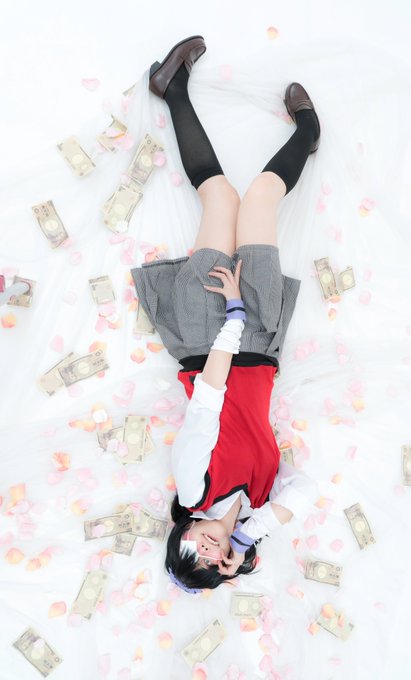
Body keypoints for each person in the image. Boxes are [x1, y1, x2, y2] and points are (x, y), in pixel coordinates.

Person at [130, 35, 321, 594]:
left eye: (194, 553)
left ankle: (173, 90)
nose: (210, 554)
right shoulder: (260, 501)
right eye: (214, 566)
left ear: (183, 531)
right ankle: (308, 134)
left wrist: (233, 314)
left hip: (207, 336)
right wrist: (249, 534)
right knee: (258, 199)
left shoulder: (194, 488)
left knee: (221, 200)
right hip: (260, 340)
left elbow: (209, 399)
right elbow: (307, 490)